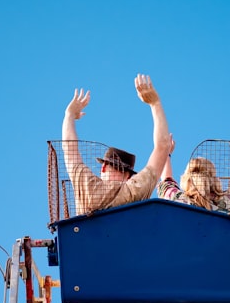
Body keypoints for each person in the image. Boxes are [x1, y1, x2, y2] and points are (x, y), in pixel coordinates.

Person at [61, 73, 172, 215]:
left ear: (103, 167)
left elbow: (69, 149)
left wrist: (69, 115)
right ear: (128, 176)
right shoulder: (135, 190)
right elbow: (163, 146)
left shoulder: (87, 185)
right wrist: (155, 103)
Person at [157, 131, 230, 216]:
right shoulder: (227, 202)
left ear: (187, 179)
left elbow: (167, 180)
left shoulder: (177, 199)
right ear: (213, 179)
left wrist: (167, 153)